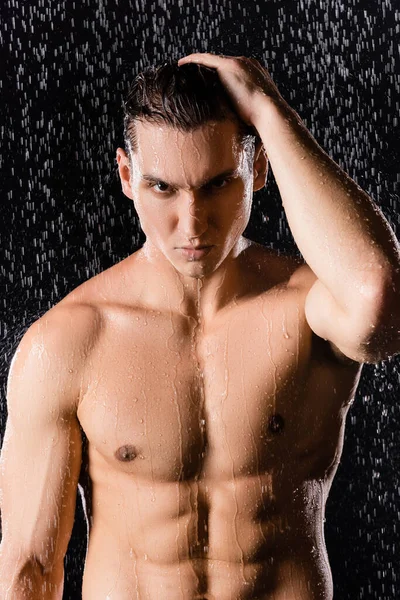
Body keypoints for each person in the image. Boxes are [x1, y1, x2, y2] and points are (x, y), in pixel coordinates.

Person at [0, 52, 399, 600]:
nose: (192, 224)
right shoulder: (70, 341)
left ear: (258, 170)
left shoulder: (306, 310)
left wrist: (268, 111)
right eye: (162, 187)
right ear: (126, 176)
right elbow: (30, 571)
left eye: (217, 185)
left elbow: (380, 303)